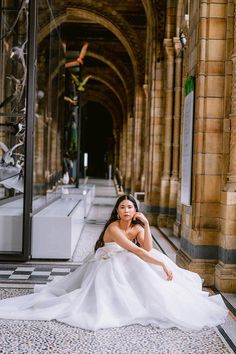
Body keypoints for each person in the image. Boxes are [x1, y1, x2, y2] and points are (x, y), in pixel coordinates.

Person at [0, 195, 228, 331]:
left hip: (127, 259)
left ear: (135, 210)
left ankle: (156, 298)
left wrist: (146, 225)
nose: (126, 210)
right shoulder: (113, 228)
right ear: (117, 211)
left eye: (130, 207)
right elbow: (135, 250)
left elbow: (148, 249)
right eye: (122, 207)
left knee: (155, 258)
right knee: (143, 261)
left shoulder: (136, 226)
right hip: (106, 264)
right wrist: (162, 266)